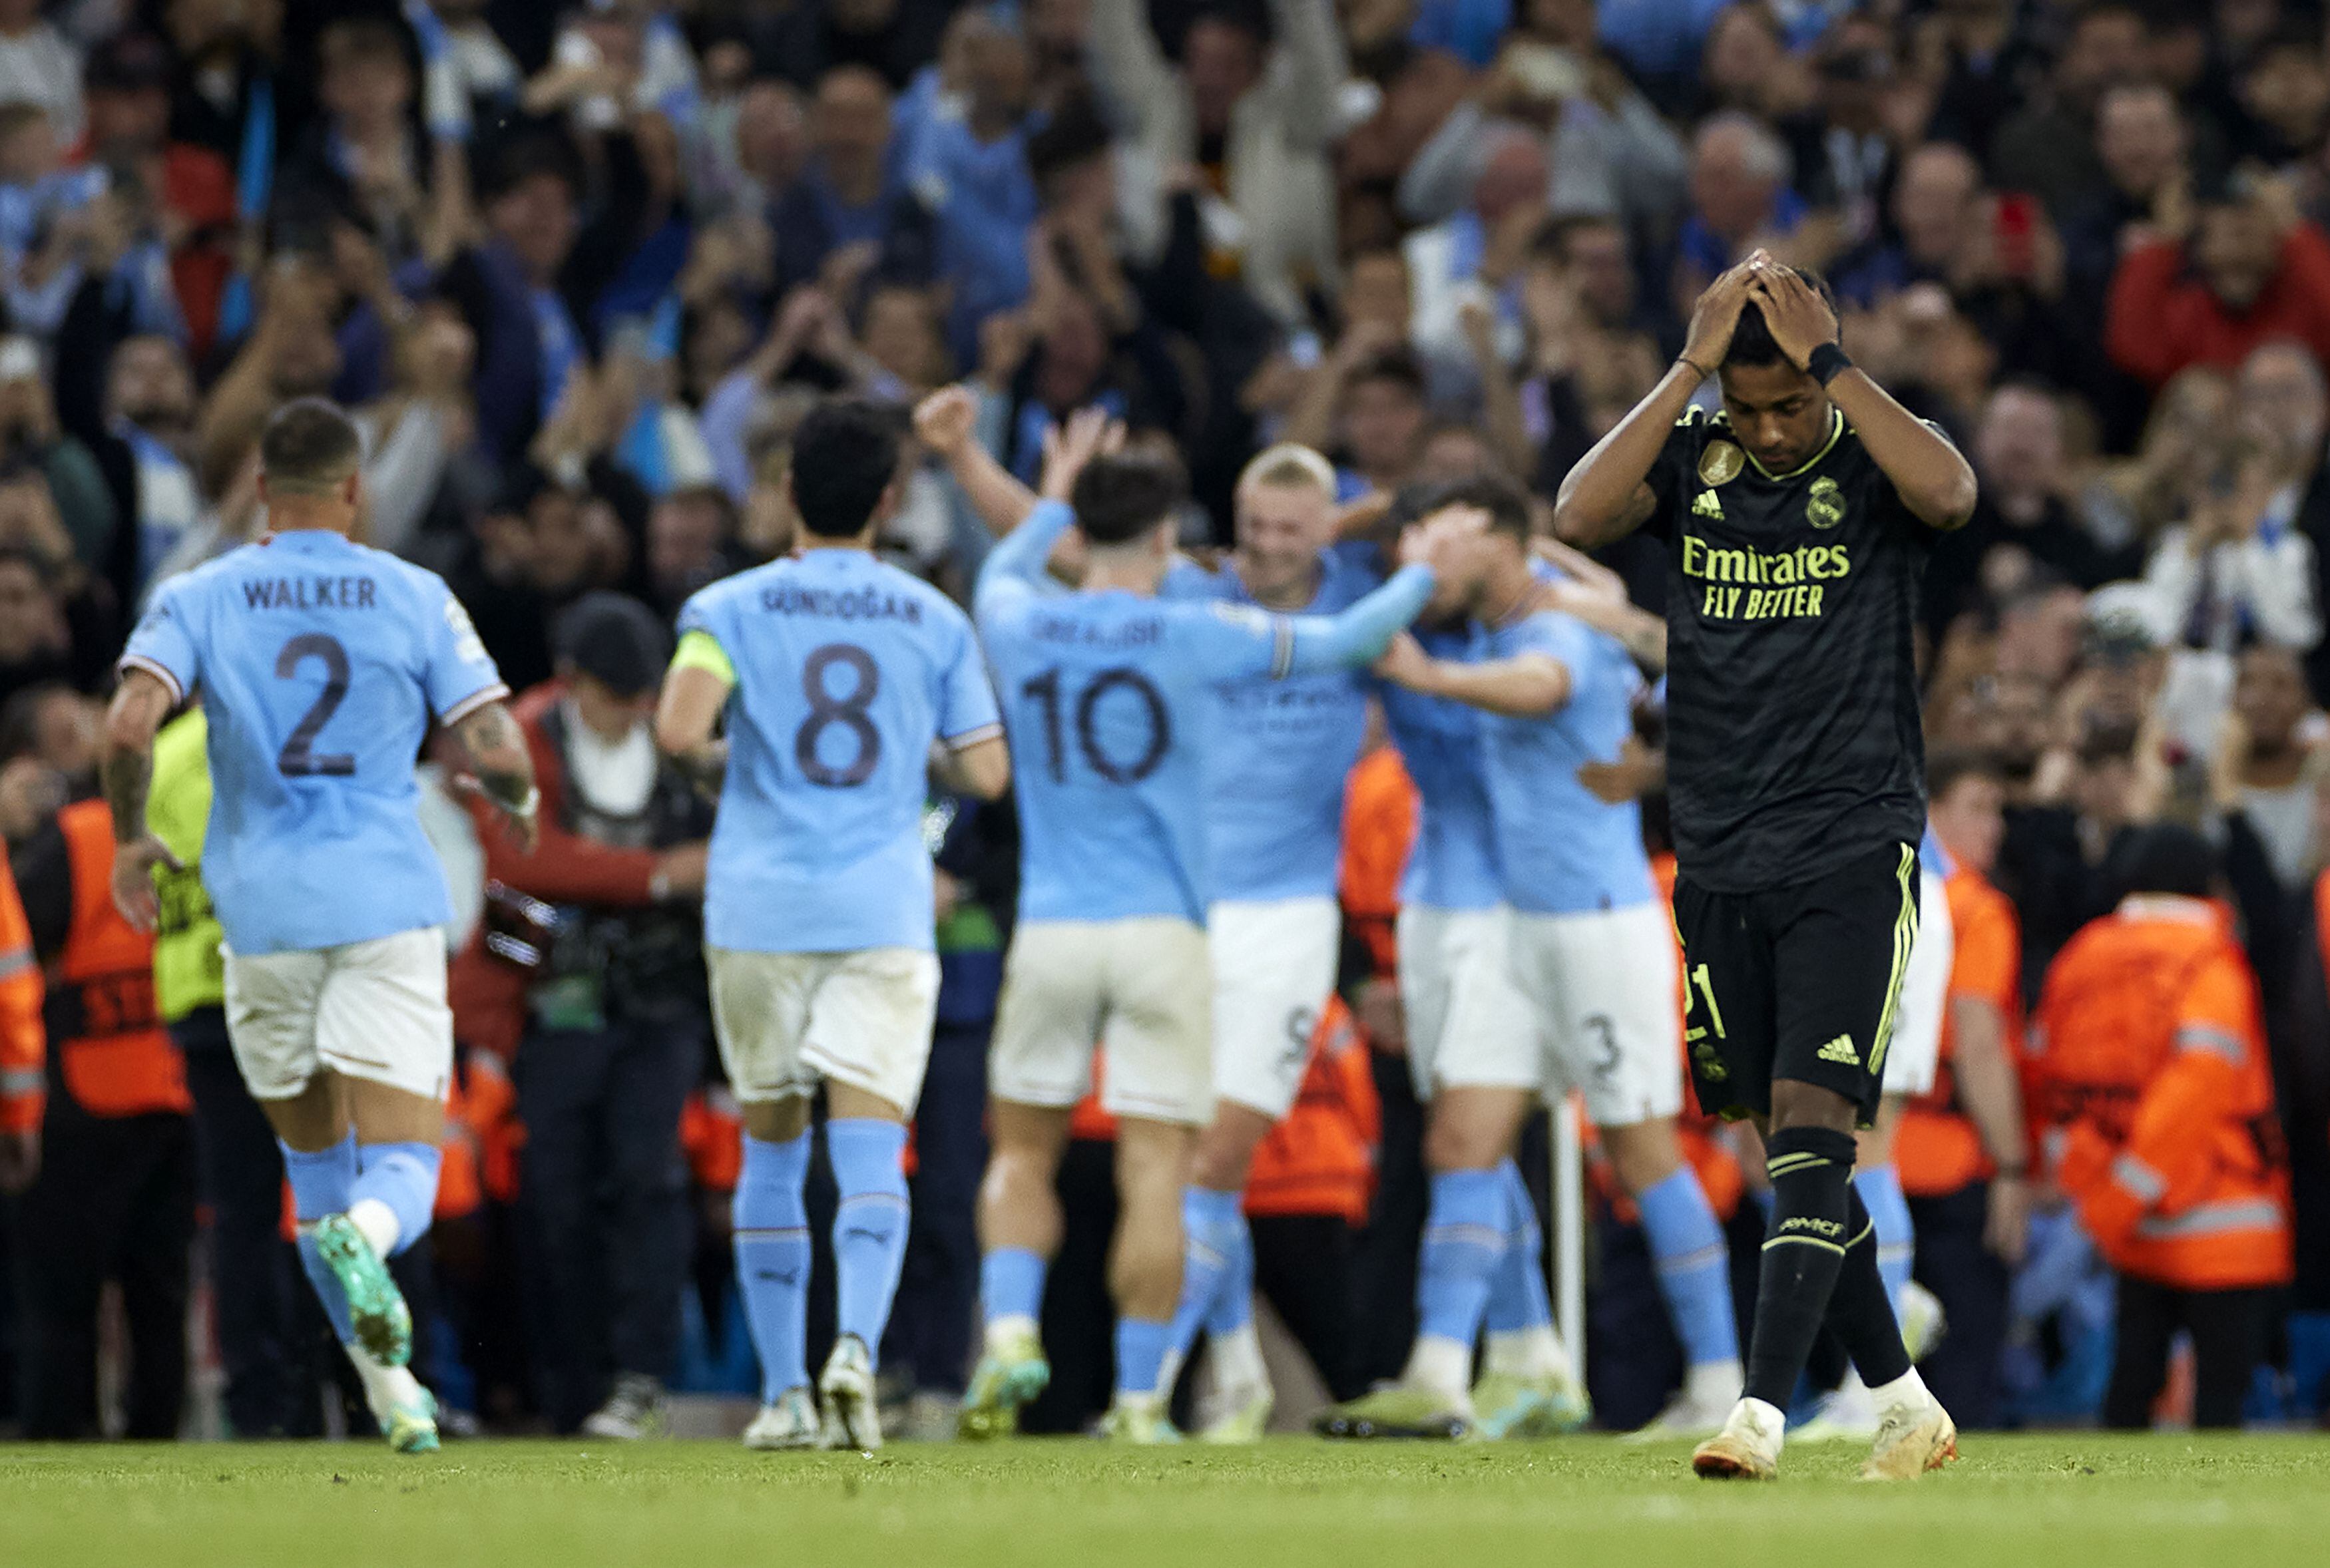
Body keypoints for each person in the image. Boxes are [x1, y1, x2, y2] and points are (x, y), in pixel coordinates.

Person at [920, 382, 1460, 1442]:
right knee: (1163, 1166)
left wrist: (1048, 495)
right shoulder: (1200, 626)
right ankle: (1136, 1398)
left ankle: (1018, 1338)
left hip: (1067, 925)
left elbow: (1013, 561)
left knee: (1027, 1154)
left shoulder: (1022, 613)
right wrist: (1430, 572)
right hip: (1173, 924)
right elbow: (1353, 636)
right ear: (1178, 532)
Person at [1554, 251, 1977, 1481]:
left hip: (1854, 837)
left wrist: (1839, 360)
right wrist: (1684, 368)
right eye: (1751, 410)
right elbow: (1579, 514)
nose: (1777, 428)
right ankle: (1902, 1402)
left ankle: (1761, 1410)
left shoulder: (1873, 458)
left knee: (1813, 1126)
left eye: (1793, 403)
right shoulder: (1696, 464)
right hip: (1721, 846)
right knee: (1771, 1135)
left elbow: (1951, 493)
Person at [101, 397, 539, 1456]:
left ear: (260, 488)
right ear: (356, 490)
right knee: (400, 1175)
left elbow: (126, 724)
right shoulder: (414, 591)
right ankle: (368, 1255)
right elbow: (493, 738)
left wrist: (127, 839)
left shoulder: (199, 592)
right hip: (381, 904)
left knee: (314, 1177)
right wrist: (516, 795)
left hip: (261, 920)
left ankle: (394, 1400)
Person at [1323, 473, 1736, 1441]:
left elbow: (1544, 687)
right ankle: (1438, 1374)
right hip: (1515, 927)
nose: (1424, 549)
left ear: (1498, 539)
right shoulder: (1529, 613)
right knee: (1461, 1138)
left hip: (1599, 924)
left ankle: (1722, 1384)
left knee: (1642, 1153)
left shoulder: (1556, 628)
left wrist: (1434, 679)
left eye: (1445, 528)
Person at [654, 397, 1009, 1452]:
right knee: (869, 1148)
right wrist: (911, 762)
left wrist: (731, 768)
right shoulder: (934, 618)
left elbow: (680, 728)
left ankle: (783, 1395)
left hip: (760, 904)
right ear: (890, 502)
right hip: (882, 909)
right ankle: (856, 1345)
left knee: (771, 1147)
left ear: (786, 496)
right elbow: (986, 769)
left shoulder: (729, 605)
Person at [1152, 443, 1379, 1442]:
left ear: (1329, 529)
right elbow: (1087, 548)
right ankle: (1234, 1371)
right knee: (1202, 1154)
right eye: (1255, 532)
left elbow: (1484, 545)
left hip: (1291, 918)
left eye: (1293, 531)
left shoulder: (1363, 595)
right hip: (1187, 913)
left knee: (1220, 1152)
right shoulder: (1192, 592)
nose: (1270, 550)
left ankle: (1154, 1388)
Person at [2028, 824, 2293, 1429]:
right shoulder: (2211, 961)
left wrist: (2095, 1190)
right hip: (2223, 1213)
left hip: (2125, 1223)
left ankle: (2101, 1520)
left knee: (2129, 1392)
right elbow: (2196, 1089)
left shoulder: (2083, 954)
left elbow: (2047, 1073)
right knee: (2220, 1404)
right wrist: (2130, 1190)